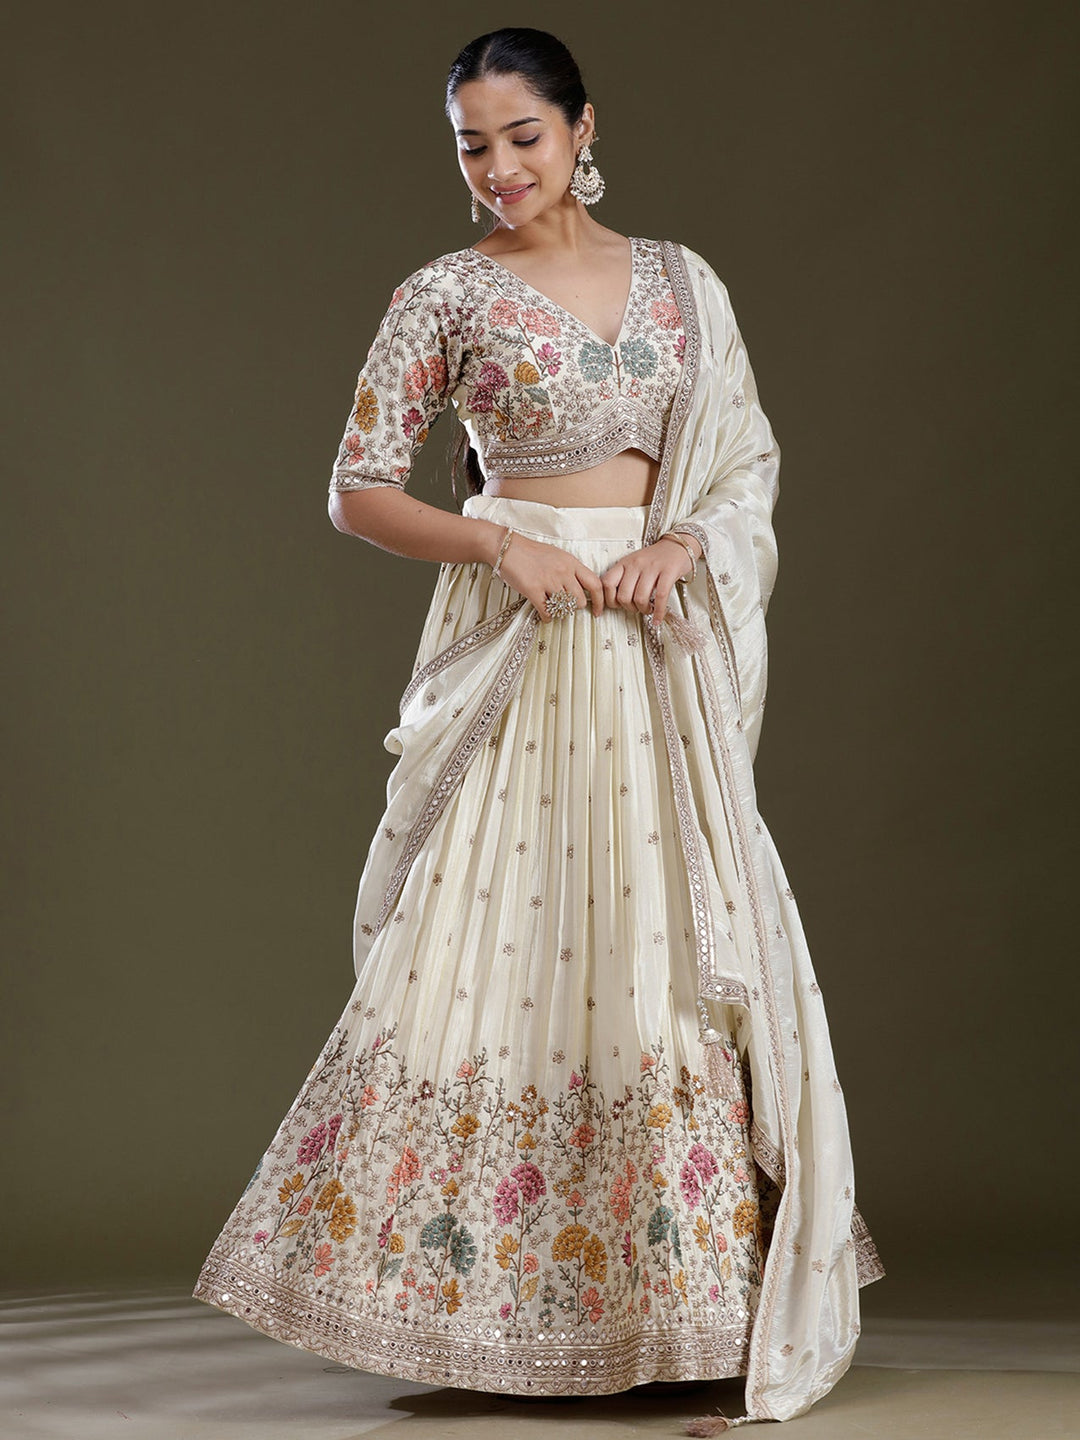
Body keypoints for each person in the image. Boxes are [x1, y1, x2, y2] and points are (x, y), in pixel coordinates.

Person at [191, 25, 885, 1433]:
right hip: (523, 649)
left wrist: (684, 543)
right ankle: (486, 1309)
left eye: (523, 136)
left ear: (581, 128)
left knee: (664, 951)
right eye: (472, 145)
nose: (499, 167)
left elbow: (742, 459)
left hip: (655, 651)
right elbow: (357, 489)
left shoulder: (685, 284)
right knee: (494, 951)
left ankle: (689, 1309)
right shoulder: (444, 294)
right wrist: (504, 547)